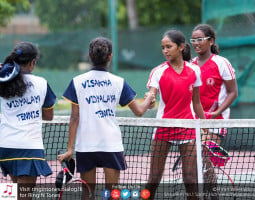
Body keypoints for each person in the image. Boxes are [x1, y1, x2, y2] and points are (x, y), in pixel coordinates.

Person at [58, 36, 154, 199]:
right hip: (111, 144)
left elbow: (74, 118)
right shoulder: (119, 82)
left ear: (90, 57)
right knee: (112, 194)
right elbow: (139, 111)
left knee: (87, 195)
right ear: (110, 57)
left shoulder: (77, 82)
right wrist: (150, 98)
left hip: (86, 145)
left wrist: (69, 149)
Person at [146, 29, 206, 200]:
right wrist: (150, 99)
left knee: (189, 177)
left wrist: (205, 126)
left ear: (180, 47)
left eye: (169, 47)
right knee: (154, 177)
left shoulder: (195, 70)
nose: (165, 51)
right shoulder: (158, 71)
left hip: (187, 127)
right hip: (163, 127)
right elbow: (152, 94)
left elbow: (196, 102)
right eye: (163, 47)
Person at [0, 42, 56, 200]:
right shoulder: (41, 83)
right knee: (24, 197)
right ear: (33, 62)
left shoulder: (3, 81)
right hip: (29, 148)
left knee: (13, 196)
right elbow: (49, 116)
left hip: (5, 148)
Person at [190, 24, 238, 199]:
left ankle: (213, 196)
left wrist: (217, 112)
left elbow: (233, 92)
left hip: (216, 121)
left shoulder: (222, 63)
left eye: (200, 39)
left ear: (211, 41)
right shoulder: (190, 65)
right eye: (193, 40)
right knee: (199, 162)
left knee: (202, 158)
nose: (196, 43)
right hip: (195, 120)